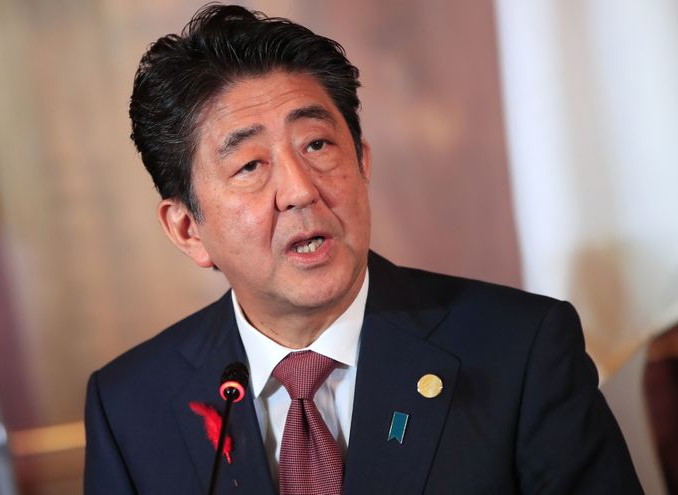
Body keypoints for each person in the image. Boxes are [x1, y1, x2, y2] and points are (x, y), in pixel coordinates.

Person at [84, 5, 642, 494]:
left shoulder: (521, 350)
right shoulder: (129, 407)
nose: (301, 190)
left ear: (362, 162)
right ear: (187, 229)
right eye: (250, 166)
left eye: (317, 144)